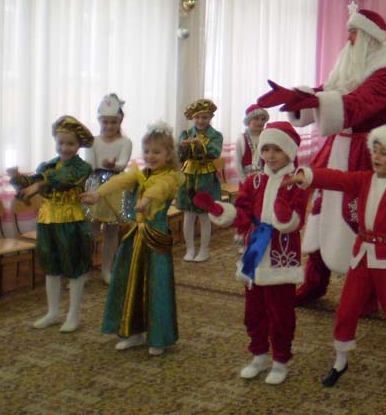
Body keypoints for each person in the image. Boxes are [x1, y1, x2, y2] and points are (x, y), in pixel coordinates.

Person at [257, 6, 386, 305]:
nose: (348, 38)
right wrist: (300, 97)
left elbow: (360, 102)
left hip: (369, 152)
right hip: (338, 147)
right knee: (321, 212)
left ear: (369, 37)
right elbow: (330, 91)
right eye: (348, 32)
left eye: (354, 32)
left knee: (363, 220)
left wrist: (314, 100)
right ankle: (314, 282)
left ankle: (367, 293)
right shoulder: (350, 64)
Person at [285, 124, 386, 393]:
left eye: (385, 153)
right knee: (346, 309)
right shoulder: (363, 179)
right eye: (375, 151)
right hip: (361, 257)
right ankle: (340, 361)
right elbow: (335, 178)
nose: (377, 157)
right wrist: (307, 175)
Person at [196, 121, 308, 385]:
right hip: (254, 252)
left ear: (290, 152)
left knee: (280, 312)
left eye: (277, 150)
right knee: (254, 310)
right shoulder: (255, 180)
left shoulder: (297, 182)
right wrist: (221, 211)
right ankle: (258, 354)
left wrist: (284, 214)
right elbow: (244, 212)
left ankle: (280, 360)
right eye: (266, 149)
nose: (270, 155)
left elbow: (296, 219)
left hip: (281, 254)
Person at [82, 121, 185, 356]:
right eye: (147, 151)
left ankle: (158, 337)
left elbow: (159, 189)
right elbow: (120, 180)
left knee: (156, 285)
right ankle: (133, 332)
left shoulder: (170, 177)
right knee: (130, 282)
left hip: (155, 239)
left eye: (157, 152)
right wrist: (98, 194)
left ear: (169, 154)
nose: (150, 156)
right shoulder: (141, 174)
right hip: (134, 237)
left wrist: (146, 200)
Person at [8, 116, 94, 333]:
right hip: (47, 220)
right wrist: (18, 179)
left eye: (70, 143)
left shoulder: (82, 167)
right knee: (51, 267)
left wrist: (39, 185)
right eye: (61, 143)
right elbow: (30, 184)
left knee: (74, 267)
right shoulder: (47, 166)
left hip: (71, 221)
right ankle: (53, 312)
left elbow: (63, 181)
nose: (64, 148)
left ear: (79, 144)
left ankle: (73, 315)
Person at [84, 93, 133, 284]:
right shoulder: (93, 142)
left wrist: (113, 165)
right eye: (105, 122)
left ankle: (107, 269)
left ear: (120, 121)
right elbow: (90, 165)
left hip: (116, 188)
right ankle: (84, 270)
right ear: (100, 121)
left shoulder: (125, 142)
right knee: (91, 232)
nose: (109, 126)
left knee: (111, 232)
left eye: (113, 122)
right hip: (95, 187)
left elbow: (122, 164)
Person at [177, 98, 223, 262]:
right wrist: (182, 147)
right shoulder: (186, 134)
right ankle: (190, 249)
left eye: (205, 117)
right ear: (192, 118)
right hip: (188, 177)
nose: (201, 121)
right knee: (188, 215)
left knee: (204, 215)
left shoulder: (216, 136)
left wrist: (199, 145)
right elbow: (180, 157)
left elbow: (214, 153)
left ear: (211, 117)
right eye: (197, 117)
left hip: (206, 178)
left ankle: (204, 250)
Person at [235, 103, 269, 184]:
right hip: (247, 180)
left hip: (265, 180)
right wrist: (244, 182)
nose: (260, 122)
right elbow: (237, 163)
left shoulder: (267, 137)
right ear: (248, 120)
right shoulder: (241, 138)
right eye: (256, 118)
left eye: (263, 119)